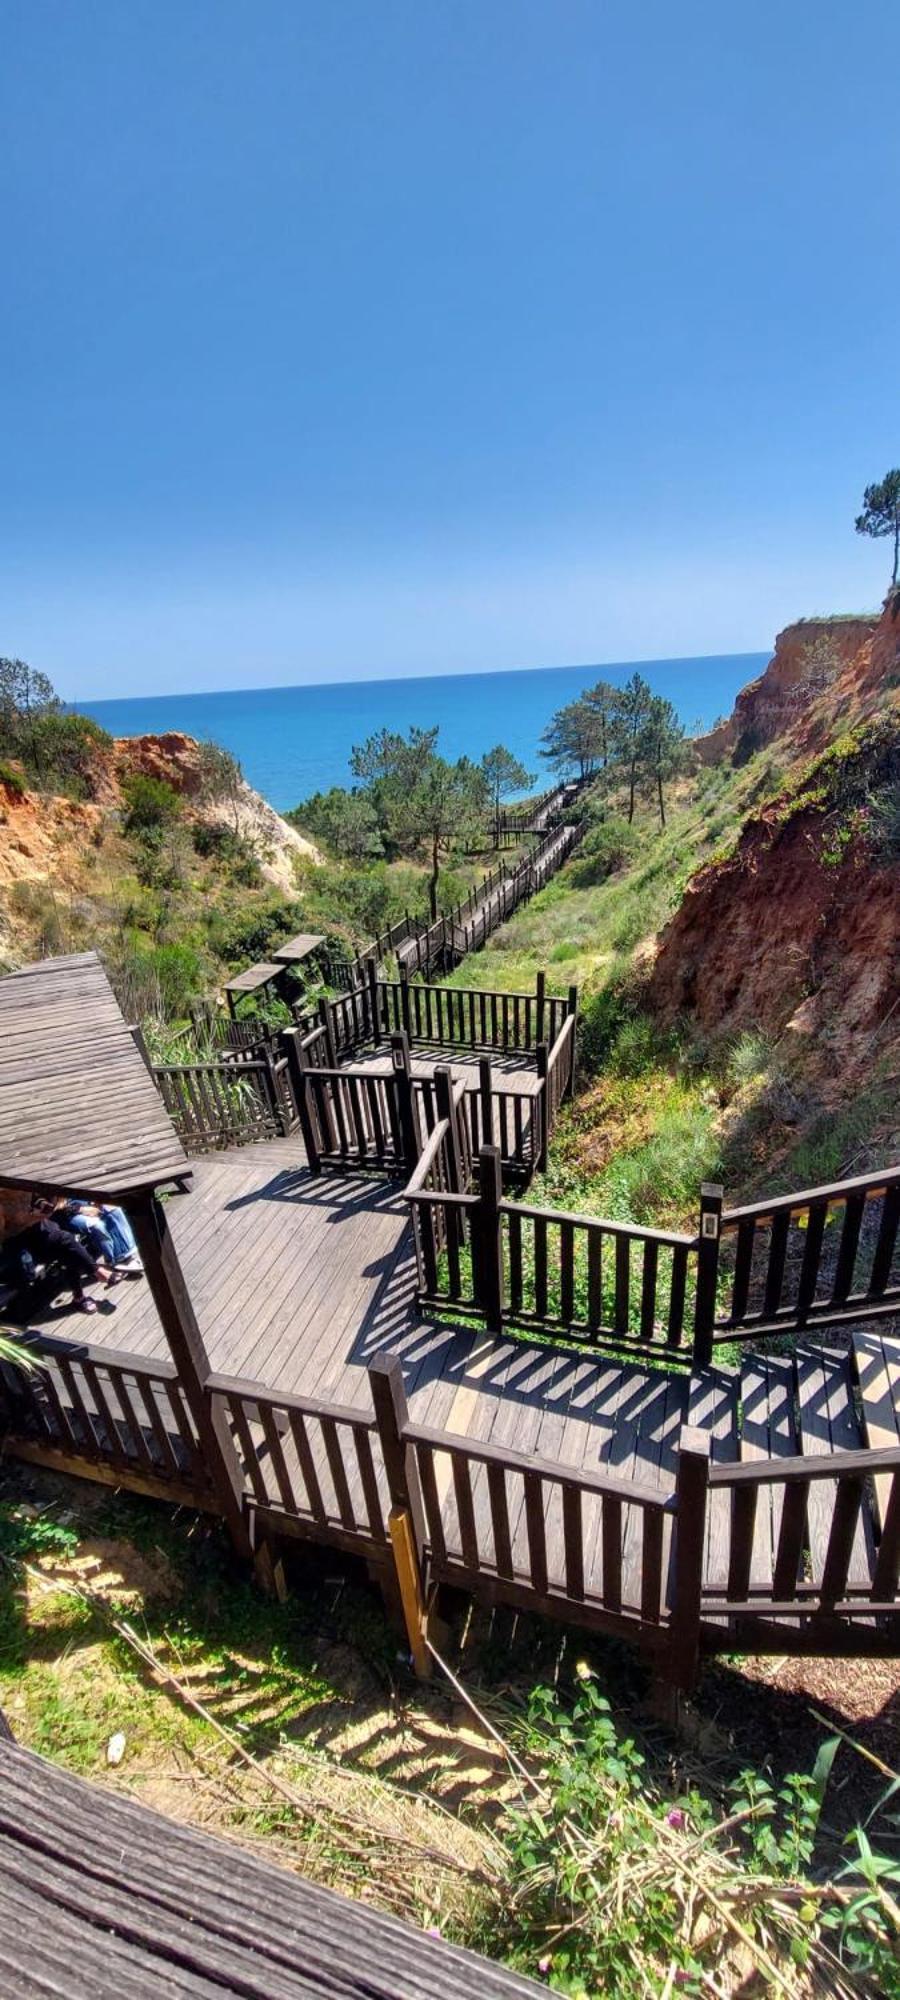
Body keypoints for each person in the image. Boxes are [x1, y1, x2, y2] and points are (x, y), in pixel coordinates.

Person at [1, 1209, 118, 1315]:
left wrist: (39, 1213)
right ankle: (93, 1276)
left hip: (38, 1232)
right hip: (15, 1243)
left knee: (66, 1248)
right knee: (64, 1243)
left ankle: (80, 1296)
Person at [62, 1200, 143, 1277]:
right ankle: (112, 1262)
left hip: (87, 1203)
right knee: (96, 1224)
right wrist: (80, 1209)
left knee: (113, 1208)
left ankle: (126, 1256)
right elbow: (58, 1207)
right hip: (68, 1215)